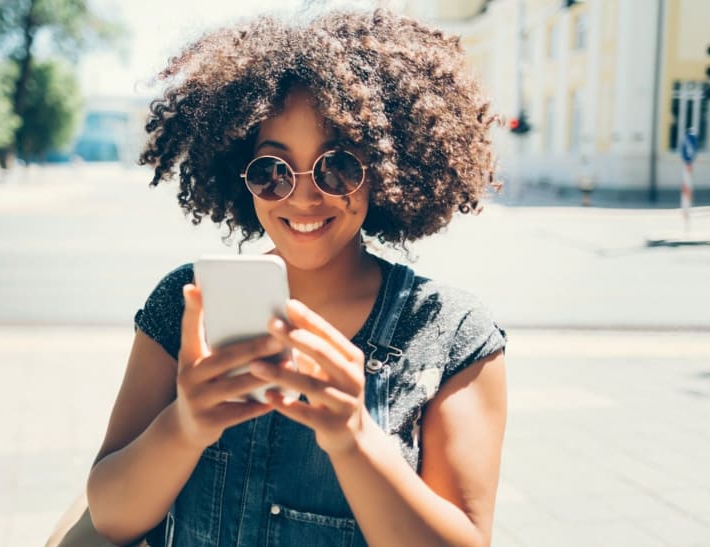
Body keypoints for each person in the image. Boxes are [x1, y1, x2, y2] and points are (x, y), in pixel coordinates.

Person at [84, 9, 507, 547]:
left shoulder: (452, 333)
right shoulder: (187, 303)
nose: (304, 197)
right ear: (240, 176)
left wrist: (354, 438)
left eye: (338, 166)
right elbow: (110, 518)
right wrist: (185, 425)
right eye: (272, 170)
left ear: (383, 168)